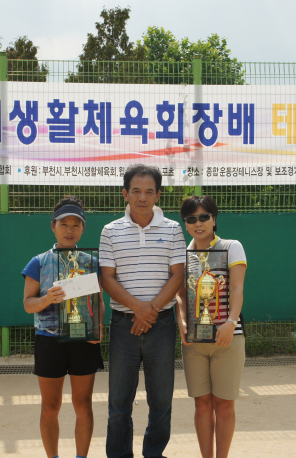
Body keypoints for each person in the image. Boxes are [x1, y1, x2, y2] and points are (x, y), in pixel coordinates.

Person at [100, 164, 186, 458]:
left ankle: (154, 454)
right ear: (125, 194)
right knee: (118, 404)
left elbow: (178, 275)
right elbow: (107, 278)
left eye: (149, 191)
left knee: (161, 402)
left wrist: (150, 312)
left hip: (162, 325)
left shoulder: (173, 229)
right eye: (136, 191)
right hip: (123, 325)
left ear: (158, 195)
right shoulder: (110, 231)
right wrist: (139, 309)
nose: (142, 197)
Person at [22, 196, 105, 458]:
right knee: (50, 406)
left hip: (83, 340)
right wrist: (46, 299)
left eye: (75, 224)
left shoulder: (91, 262)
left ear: (83, 228)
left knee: (83, 403)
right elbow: (28, 304)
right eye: (64, 224)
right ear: (53, 226)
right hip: (49, 340)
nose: (70, 230)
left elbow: (99, 302)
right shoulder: (38, 262)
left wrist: (98, 328)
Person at [175, 195, 247, 458]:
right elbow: (180, 294)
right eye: (191, 219)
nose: (198, 223)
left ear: (214, 219)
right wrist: (182, 321)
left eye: (204, 217)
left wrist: (231, 322)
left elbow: (237, 288)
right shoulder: (183, 255)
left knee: (224, 404)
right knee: (202, 404)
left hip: (228, 338)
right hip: (194, 341)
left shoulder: (231, 247)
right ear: (185, 224)